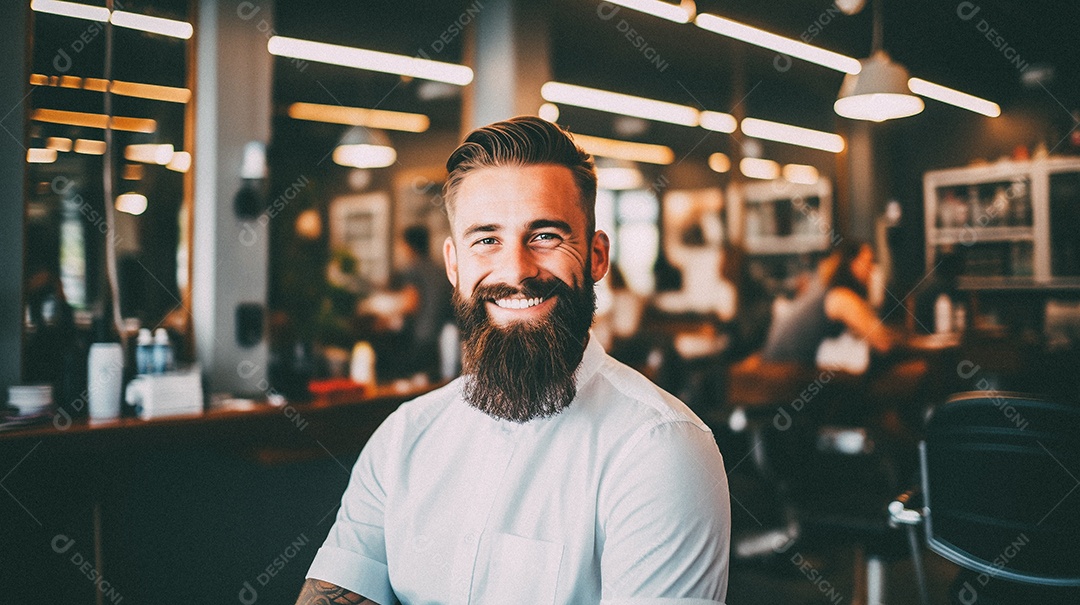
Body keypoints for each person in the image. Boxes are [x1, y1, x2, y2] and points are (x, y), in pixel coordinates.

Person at [297, 116, 730, 605]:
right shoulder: (403, 438)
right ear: (454, 265)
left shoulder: (661, 451)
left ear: (596, 255)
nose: (517, 270)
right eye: (486, 239)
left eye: (545, 235)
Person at [761, 240, 897, 364]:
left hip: (776, 365)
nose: (872, 269)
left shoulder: (824, 289)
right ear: (853, 263)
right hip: (783, 374)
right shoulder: (840, 296)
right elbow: (882, 343)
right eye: (869, 261)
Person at [387, 225, 455, 380]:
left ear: (408, 245)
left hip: (420, 338)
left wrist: (386, 312)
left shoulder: (412, 269)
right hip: (441, 339)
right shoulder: (440, 269)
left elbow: (411, 304)